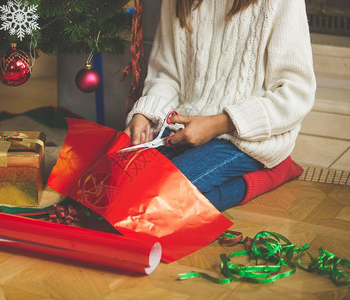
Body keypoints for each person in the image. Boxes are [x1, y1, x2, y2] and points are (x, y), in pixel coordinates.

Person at [124, 0, 316, 211]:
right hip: (184, 126)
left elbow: (296, 93)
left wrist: (218, 124)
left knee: (158, 201)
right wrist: (145, 114)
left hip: (244, 137)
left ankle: (272, 172)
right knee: (116, 183)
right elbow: (168, 74)